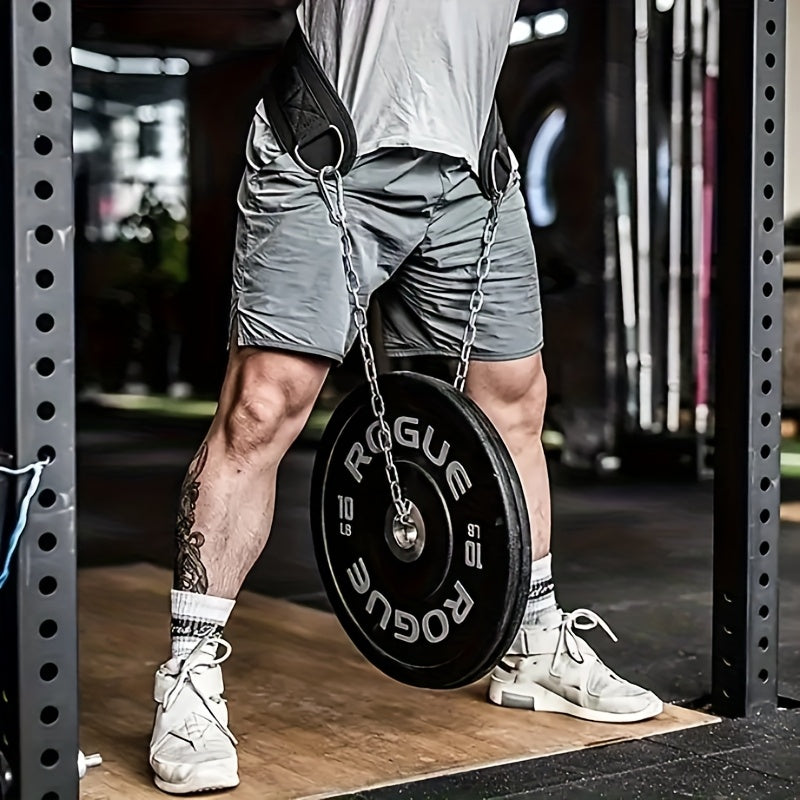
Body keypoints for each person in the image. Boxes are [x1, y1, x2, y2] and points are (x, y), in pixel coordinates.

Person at [148, 1, 663, 794]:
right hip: (328, 148)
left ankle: (531, 643)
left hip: (469, 172)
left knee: (515, 400)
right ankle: (187, 674)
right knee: (261, 408)